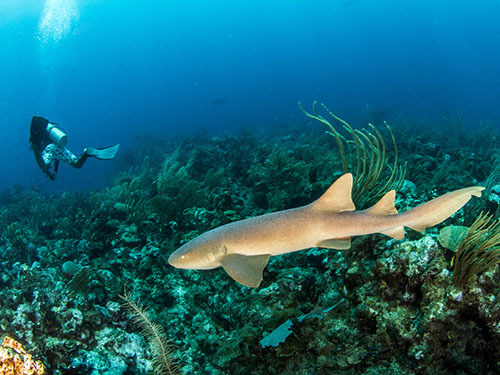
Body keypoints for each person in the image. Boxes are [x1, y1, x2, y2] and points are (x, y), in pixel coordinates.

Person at [29, 116, 120, 180]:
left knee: (44, 166)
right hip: (58, 145)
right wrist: (55, 171)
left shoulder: (37, 141)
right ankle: (86, 153)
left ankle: (86, 153)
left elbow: (43, 159)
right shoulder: (48, 133)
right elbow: (56, 156)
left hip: (50, 149)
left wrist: (46, 170)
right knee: (77, 164)